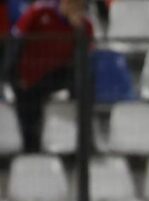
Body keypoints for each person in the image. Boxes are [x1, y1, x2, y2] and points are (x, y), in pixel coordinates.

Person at [1, 0, 91, 152]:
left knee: (85, 80)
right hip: (29, 75)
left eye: (79, 6)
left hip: (57, 74)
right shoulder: (39, 12)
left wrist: (78, 31)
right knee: (29, 109)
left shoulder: (85, 26)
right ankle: (31, 151)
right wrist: (13, 76)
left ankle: (85, 142)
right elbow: (15, 43)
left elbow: (83, 58)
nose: (74, 9)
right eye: (72, 4)